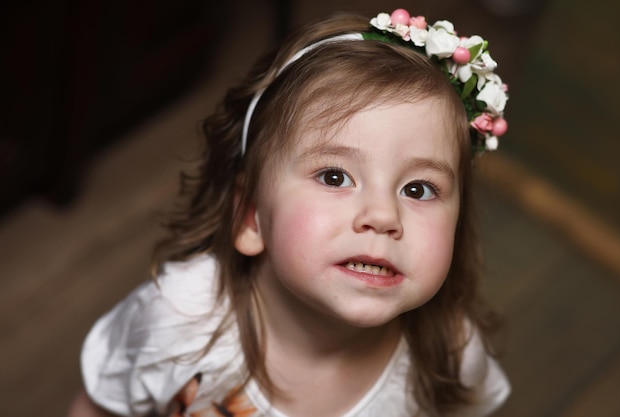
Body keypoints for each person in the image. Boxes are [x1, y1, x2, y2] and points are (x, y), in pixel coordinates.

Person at [68, 8, 511, 417]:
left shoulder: (451, 354)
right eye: (335, 177)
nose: (383, 215)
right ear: (250, 214)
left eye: (419, 188)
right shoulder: (177, 321)